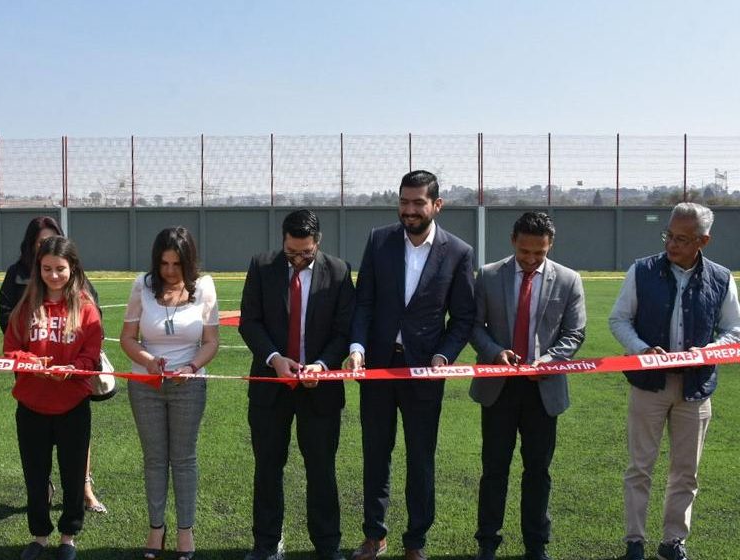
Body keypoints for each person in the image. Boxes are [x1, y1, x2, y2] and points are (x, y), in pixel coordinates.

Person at [348, 170, 475, 560]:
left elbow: (464, 319)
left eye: (418, 202)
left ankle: (415, 542)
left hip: (424, 374)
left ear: (437, 205)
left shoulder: (458, 252)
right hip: (378, 370)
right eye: (404, 201)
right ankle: (374, 535)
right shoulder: (379, 240)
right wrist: (357, 347)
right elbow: (364, 301)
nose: (409, 210)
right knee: (375, 455)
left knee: (421, 460)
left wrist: (443, 357)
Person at [609, 202, 740, 560]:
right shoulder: (642, 270)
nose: (672, 244)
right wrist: (640, 348)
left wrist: (709, 350)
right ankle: (634, 541)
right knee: (640, 467)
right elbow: (619, 320)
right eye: (669, 235)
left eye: (682, 239)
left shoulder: (722, 277)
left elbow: (735, 330)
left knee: (686, 471)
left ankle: (673, 542)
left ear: (704, 240)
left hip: (696, 388)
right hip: (647, 385)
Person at [468, 212, 586, 560]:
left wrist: (549, 360)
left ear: (550, 245)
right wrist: (493, 351)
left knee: (538, 470)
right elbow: (474, 326)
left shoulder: (568, 279)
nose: (532, 259)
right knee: (494, 469)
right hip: (499, 387)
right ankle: (487, 542)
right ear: (512, 241)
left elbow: (575, 333)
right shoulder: (489, 275)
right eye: (525, 253)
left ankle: (536, 545)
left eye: (540, 253)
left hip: (543, 389)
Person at [239, 209, 355, 560]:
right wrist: (275, 359)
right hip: (270, 387)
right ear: (282, 242)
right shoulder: (262, 266)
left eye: (306, 253)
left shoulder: (337, 271)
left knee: (321, 469)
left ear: (318, 242)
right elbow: (250, 322)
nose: (299, 260)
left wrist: (321, 365)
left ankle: (326, 545)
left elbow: (343, 328)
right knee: (268, 468)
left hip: (319, 391)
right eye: (291, 253)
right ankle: (267, 543)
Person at [119, 227, 219, 560]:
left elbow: (211, 342)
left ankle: (185, 533)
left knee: (184, 458)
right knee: (154, 459)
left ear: (190, 263)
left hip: (189, 384)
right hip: (146, 384)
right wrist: (149, 361)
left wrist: (191, 367)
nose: (170, 271)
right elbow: (128, 339)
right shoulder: (141, 286)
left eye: (177, 264)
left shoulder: (205, 287)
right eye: (164, 264)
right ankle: (156, 529)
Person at [0, 216, 107, 514]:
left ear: (72, 267)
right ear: (37, 265)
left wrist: (74, 369)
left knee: (73, 476)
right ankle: (39, 535)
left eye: (60, 269)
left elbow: (92, 352)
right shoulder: (26, 306)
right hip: (32, 403)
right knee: (35, 477)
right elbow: (11, 349)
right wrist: (31, 362)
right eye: (47, 269)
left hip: (72, 403)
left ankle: (69, 536)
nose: (54, 275)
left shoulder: (84, 306)